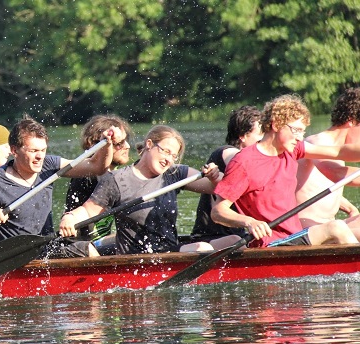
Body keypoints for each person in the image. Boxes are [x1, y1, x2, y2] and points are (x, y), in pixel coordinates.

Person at [212, 94, 360, 248]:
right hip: (270, 243)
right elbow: (218, 211)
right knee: (335, 227)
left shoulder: (292, 150)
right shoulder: (243, 162)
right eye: (296, 130)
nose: (300, 137)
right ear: (276, 125)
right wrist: (249, 222)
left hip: (294, 236)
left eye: (303, 132)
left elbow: (338, 152)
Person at [59, 125, 226, 256]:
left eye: (173, 156)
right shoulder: (117, 180)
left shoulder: (175, 174)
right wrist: (70, 217)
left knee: (221, 243)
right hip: (135, 258)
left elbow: (218, 187)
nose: (168, 159)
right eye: (166, 151)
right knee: (204, 247)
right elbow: (88, 211)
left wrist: (214, 176)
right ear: (149, 144)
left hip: (169, 252)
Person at [0, 116, 123, 252]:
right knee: (86, 249)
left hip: (47, 248)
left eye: (43, 150)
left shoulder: (49, 166)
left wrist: (107, 144)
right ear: (14, 150)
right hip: (15, 255)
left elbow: (97, 167)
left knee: (115, 244)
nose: (40, 156)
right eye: (33, 151)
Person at [190, 106, 264, 242]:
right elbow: (243, 161)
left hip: (237, 236)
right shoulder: (228, 153)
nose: (264, 138)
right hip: (211, 239)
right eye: (260, 133)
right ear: (242, 136)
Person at [296, 87, 360, 237]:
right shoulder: (317, 141)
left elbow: (319, 189)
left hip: (330, 226)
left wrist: (350, 208)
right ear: (351, 120)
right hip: (305, 230)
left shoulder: (338, 152)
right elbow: (335, 174)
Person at [63, 114, 132, 244]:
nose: (127, 146)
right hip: (81, 246)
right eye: (119, 143)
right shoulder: (86, 176)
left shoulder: (116, 174)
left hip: (100, 243)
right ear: (94, 144)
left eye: (126, 140)